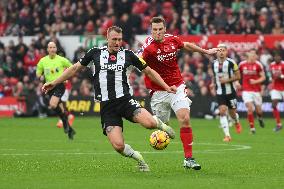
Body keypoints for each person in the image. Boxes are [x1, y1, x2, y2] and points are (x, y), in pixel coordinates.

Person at [42, 26, 177, 172]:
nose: (117, 42)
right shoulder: (95, 53)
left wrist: (166, 86)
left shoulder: (129, 55)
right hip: (107, 107)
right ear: (107, 39)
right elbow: (74, 68)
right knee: (118, 146)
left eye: (120, 39)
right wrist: (54, 82)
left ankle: (163, 126)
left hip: (125, 101)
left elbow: (149, 71)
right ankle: (139, 158)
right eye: (114, 39)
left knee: (150, 124)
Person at [139, 17, 217, 170]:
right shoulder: (147, 47)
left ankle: (188, 159)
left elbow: (186, 45)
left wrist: (205, 51)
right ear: (151, 30)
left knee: (185, 118)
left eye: (160, 29)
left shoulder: (172, 40)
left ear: (165, 29)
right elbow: (138, 61)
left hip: (177, 86)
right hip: (158, 92)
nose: (157, 32)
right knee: (160, 125)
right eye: (154, 29)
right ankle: (164, 129)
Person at [36, 41, 76, 140]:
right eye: (50, 47)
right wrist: (40, 77)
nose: (52, 49)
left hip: (59, 85)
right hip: (49, 87)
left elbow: (72, 68)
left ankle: (65, 124)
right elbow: (38, 72)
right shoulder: (43, 61)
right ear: (47, 49)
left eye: (54, 47)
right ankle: (69, 129)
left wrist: (67, 76)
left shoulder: (62, 60)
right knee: (60, 108)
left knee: (53, 104)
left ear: (56, 49)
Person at [210, 44, 242, 142]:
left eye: (223, 50)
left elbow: (238, 76)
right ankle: (227, 135)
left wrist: (227, 80)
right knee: (222, 111)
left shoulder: (231, 63)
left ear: (226, 52)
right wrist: (212, 84)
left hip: (231, 92)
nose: (221, 52)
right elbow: (214, 76)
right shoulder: (213, 64)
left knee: (232, 113)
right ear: (216, 52)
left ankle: (236, 122)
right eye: (219, 50)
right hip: (220, 92)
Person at [239, 49, 266, 134]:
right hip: (246, 90)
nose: (254, 56)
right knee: (250, 108)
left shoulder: (258, 65)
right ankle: (252, 128)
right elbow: (236, 75)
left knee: (259, 111)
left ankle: (260, 118)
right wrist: (236, 82)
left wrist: (255, 81)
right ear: (249, 55)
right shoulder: (242, 64)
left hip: (256, 90)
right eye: (252, 54)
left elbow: (263, 77)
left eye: (255, 54)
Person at [269, 53, 284, 132]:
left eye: (278, 56)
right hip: (276, 87)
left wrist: (281, 76)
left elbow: (280, 76)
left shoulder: (283, 64)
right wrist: (271, 79)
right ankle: (278, 124)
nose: (276, 58)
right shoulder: (272, 65)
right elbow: (271, 75)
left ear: (280, 57)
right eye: (275, 56)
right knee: (274, 105)